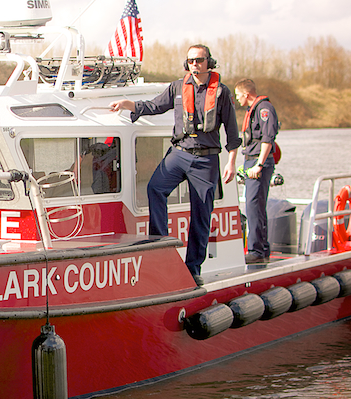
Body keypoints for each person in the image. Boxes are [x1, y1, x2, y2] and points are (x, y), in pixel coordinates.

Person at [109, 44, 240, 285]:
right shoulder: (178, 87)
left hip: (206, 160)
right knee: (155, 188)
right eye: (191, 60)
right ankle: (162, 247)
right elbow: (155, 106)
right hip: (179, 154)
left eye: (199, 60)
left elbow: (232, 132)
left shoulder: (221, 92)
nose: (195, 64)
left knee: (201, 214)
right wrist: (129, 104)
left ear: (209, 62)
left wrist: (231, 162)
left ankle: (193, 269)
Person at [233, 78, 280, 264]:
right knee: (256, 207)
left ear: (246, 94)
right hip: (250, 162)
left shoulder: (263, 109)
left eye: (238, 95)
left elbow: (268, 138)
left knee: (253, 207)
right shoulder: (253, 110)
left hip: (257, 164)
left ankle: (256, 250)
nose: (237, 99)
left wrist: (258, 165)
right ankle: (262, 247)